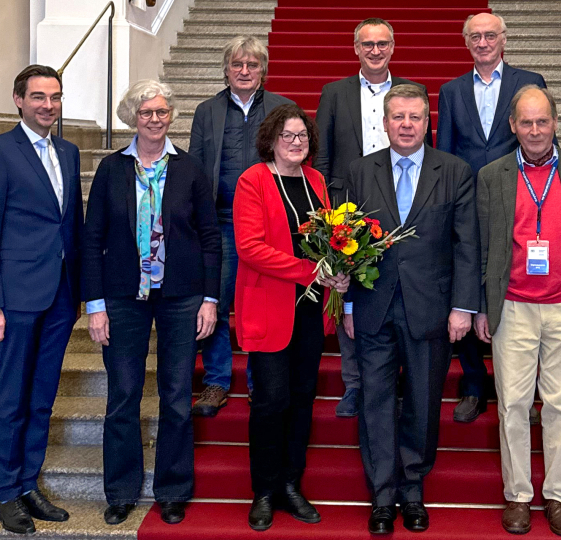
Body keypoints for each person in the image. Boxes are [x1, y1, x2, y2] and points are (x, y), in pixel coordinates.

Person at [82, 79, 221, 527]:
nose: (155, 119)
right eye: (146, 113)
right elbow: (92, 240)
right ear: (132, 118)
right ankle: (121, 490)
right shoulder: (110, 169)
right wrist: (95, 305)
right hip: (122, 297)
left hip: (182, 296)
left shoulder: (190, 168)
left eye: (162, 112)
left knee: (177, 396)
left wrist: (210, 299)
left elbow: (211, 239)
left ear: (171, 116)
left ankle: (173, 490)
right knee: (123, 396)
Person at [474, 85, 561, 537]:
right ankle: (517, 496)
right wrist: (481, 308)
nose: (535, 130)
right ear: (512, 126)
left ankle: (557, 497)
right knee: (512, 404)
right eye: (526, 122)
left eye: (543, 121)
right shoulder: (492, 175)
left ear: (555, 123)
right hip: (513, 307)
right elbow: (479, 247)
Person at [343, 84, 479, 534]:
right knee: (376, 402)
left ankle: (413, 491)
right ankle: (382, 496)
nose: (406, 125)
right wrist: (345, 300)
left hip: (432, 309)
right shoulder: (359, 171)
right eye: (397, 117)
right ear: (384, 122)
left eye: (415, 117)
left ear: (427, 122)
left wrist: (463, 307)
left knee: (422, 402)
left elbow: (466, 245)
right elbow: (346, 244)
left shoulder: (455, 171)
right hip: (372, 306)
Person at [0, 64, 82, 535]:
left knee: (41, 396)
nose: (48, 106)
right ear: (19, 100)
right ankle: (7, 492)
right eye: (38, 97)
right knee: (12, 397)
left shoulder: (69, 151)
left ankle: (29, 482)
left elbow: (69, 224)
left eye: (54, 97)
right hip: (15, 297)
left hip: (60, 293)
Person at [234, 103, 350, 531]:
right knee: (270, 402)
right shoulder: (253, 180)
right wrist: (311, 272)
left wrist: (338, 271)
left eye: (302, 136)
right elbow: (250, 247)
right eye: (288, 136)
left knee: (301, 401)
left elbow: (329, 240)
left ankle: (290, 484)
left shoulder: (316, 181)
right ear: (271, 139)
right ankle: (264, 491)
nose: (296, 142)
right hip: (269, 309)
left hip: (309, 314)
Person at [313, 17, 432, 418]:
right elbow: (324, 155)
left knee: (402, 292)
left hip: (405, 205)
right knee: (351, 292)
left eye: (383, 43)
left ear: (393, 47)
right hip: (353, 209)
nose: (376, 50)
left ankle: (396, 379)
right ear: (356, 49)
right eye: (368, 44)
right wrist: (333, 212)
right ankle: (355, 383)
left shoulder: (410, 94)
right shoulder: (334, 93)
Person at [436, 12, 553, 423]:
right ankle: (472, 385)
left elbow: (543, 138)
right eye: (475, 36)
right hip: (468, 203)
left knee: (520, 292)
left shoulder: (529, 81)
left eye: (490, 35)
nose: (483, 42)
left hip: (520, 200)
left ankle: (523, 390)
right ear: (466, 42)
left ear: (504, 39)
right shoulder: (451, 92)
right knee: (467, 285)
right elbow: (445, 154)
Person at [188, 36, 294, 416]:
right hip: (220, 222)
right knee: (214, 299)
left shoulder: (283, 109)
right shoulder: (206, 111)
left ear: (263, 69)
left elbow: (296, 160)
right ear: (226, 69)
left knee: (260, 305)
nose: (245, 71)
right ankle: (216, 380)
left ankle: (257, 380)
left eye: (252, 65)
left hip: (269, 226)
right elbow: (197, 168)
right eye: (237, 64)